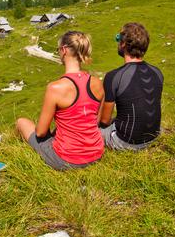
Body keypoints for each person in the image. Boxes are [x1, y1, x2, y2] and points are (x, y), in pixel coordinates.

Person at [16, 30, 105, 170]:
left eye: (58, 49)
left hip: (67, 159)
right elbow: (95, 122)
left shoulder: (56, 88)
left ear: (64, 50)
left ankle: (17, 151)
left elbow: (40, 132)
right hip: (96, 153)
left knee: (21, 122)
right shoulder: (97, 83)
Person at [99, 22, 163, 150]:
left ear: (123, 44)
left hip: (126, 142)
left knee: (94, 131)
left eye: (118, 39)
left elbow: (105, 121)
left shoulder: (114, 76)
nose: (118, 43)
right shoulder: (157, 72)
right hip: (154, 137)